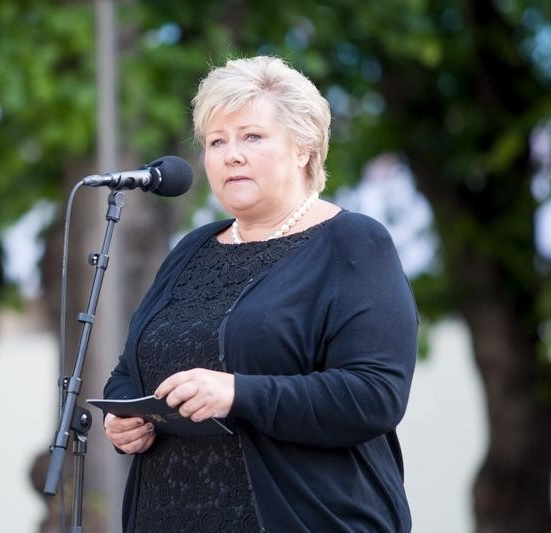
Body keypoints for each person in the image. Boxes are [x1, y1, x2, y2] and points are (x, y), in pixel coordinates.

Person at [101, 55, 418, 533]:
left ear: (303, 148)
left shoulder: (353, 244)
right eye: (216, 142)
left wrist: (237, 392)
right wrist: (125, 417)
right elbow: (131, 369)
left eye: (252, 137)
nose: (232, 155)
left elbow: (374, 395)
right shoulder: (192, 249)